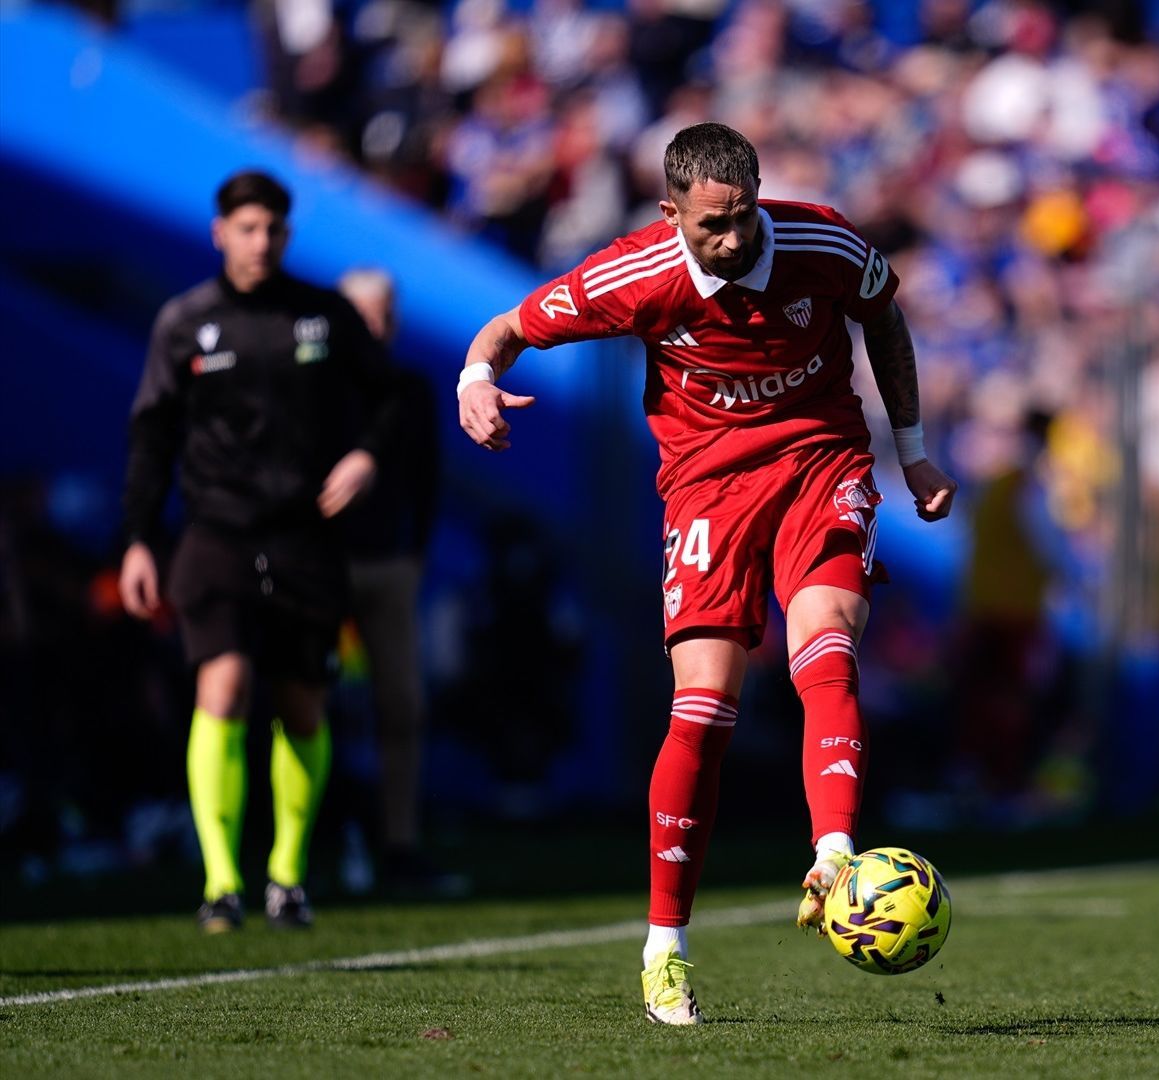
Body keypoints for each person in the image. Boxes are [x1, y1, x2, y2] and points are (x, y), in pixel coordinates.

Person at [455, 122, 956, 1025]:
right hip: (707, 487)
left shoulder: (822, 242)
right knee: (703, 708)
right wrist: (473, 379)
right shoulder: (631, 275)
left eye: (744, 216)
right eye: (711, 225)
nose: (732, 239)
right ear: (671, 211)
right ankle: (664, 951)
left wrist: (912, 451)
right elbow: (505, 330)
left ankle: (836, 855)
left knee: (827, 644)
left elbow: (884, 314)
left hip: (820, 461)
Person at [120, 170, 400, 932]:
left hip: (304, 535)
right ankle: (220, 881)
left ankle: (286, 875)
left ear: (287, 234)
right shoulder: (185, 323)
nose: (260, 242)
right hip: (215, 533)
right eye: (245, 229)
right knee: (225, 686)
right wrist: (140, 539)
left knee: (302, 703)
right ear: (219, 233)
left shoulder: (324, 315)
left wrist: (366, 455)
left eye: (272, 230)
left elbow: (390, 397)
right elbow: (152, 434)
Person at [335, 268, 466, 893]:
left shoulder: (409, 388)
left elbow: (427, 481)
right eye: (364, 311)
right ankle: (309, 841)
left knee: (401, 707)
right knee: (308, 704)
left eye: (385, 311)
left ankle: (397, 839)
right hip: (322, 567)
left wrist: (414, 554)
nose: (377, 323)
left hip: (388, 564)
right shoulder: (315, 387)